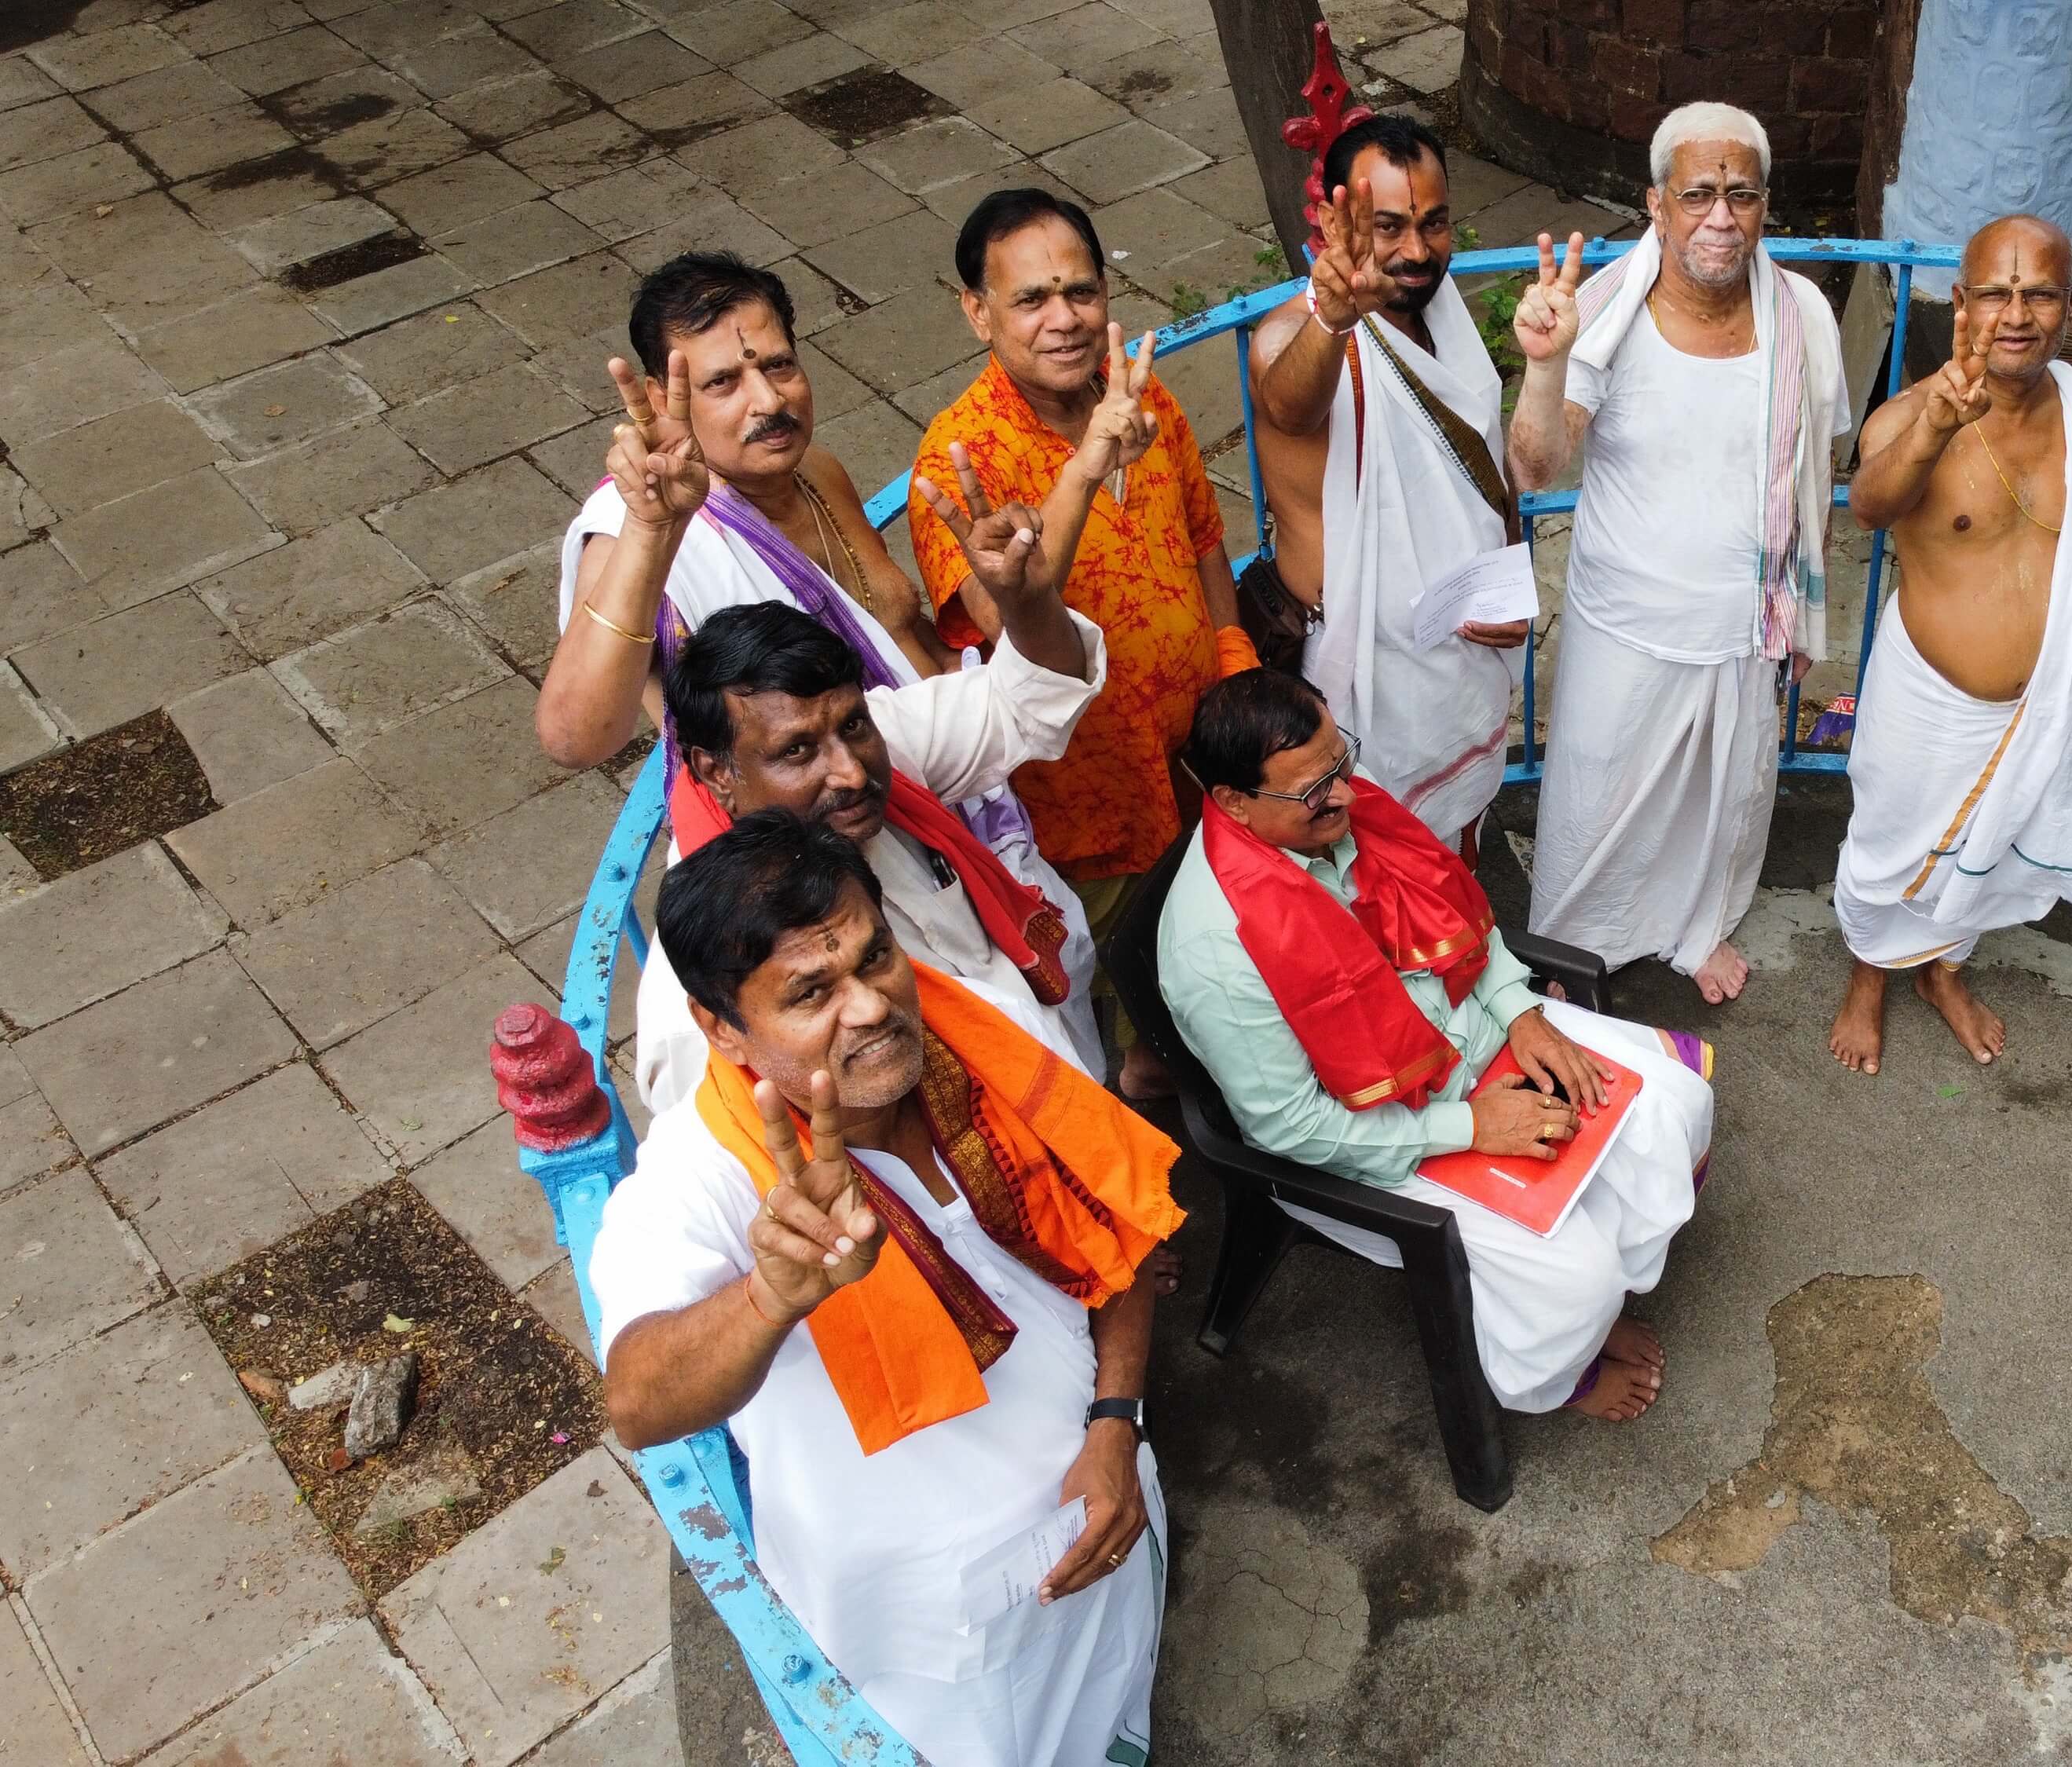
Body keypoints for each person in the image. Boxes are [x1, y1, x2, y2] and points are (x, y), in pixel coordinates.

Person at [594, 810, 1184, 1766]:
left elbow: (1115, 1235)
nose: (870, 1006)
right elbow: (637, 1401)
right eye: (810, 992)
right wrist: (769, 1297)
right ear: (722, 1028)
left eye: (874, 959)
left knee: (1114, 1701)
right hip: (931, 1624)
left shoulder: (980, 1042)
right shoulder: (699, 1181)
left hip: (1106, 1486)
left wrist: (1116, 1423)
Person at [1157, 669, 1715, 1422]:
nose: (1347, 797)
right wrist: (1471, 1127)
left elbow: (1462, 928)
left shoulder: (1343, 809)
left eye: (1340, 764)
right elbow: (1289, 1128)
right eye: (1312, 791)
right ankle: (1562, 1374)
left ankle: (1607, 1279)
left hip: (1478, 1037)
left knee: (1675, 1105)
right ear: (1232, 804)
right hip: (1386, 1131)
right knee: (1574, 1278)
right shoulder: (1213, 950)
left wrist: (1520, 1012)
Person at [910, 188, 1260, 1102]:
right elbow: (1013, 633)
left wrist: (1234, 669)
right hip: (1082, 810)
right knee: (1104, 1002)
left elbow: (1203, 543)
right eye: (1030, 300)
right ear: (975, 312)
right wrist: (1086, 469)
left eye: (1080, 291)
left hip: (1195, 765)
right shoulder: (956, 463)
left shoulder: (1148, 402)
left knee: (1210, 957)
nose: (1063, 320)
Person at [1506, 102, 1848, 1005]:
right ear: (1656, 203)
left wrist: (1793, 590)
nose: (1721, 217)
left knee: (1720, 800)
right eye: (1698, 194)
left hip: (1744, 621)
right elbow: (1538, 461)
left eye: (1741, 194)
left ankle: (1693, 929)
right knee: (1599, 803)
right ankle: (1577, 944)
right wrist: (1544, 366)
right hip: (1628, 617)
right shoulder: (1604, 312)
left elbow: (1816, 468)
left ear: (1765, 205)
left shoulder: (1802, 315)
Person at [1829, 214, 2072, 1074]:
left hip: (2047, 698)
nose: (2016, 313)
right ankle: (1868, 975)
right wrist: (1935, 427)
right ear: (1960, 302)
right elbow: (1870, 506)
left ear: (2070, 305)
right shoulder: (1911, 414)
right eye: (1995, 293)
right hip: (1930, 699)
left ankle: (1944, 973)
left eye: (2038, 293)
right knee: (1889, 845)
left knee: (1987, 858)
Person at [635, 595, 1107, 1112]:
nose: (851, 773)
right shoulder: (707, 979)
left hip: (1066, 1082)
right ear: (717, 774)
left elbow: (1032, 697)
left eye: (853, 726)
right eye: (797, 751)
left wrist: (1029, 599)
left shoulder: (869, 737)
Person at [540, 251, 956, 777]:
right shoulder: (633, 535)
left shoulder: (817, 470)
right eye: (723, 382)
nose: (768, 400)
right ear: (663, 398)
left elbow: (900, 638)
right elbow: (573, 741)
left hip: (963, 790)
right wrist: (652, 529)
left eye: (778, 365)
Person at [1243, 115, 1526, 858]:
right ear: (1334, 223)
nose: (1416, 251)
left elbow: (1486, 473)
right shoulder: (1296, 337)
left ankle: (1467, 957)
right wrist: (1335, 318)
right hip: (1366, 674)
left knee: (1459, 833)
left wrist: (1510, 588)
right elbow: (1288, 404)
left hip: (1461, 651)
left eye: (1434, 224)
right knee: (1377, 864)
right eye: (1389, 226)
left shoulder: (1444, 317)